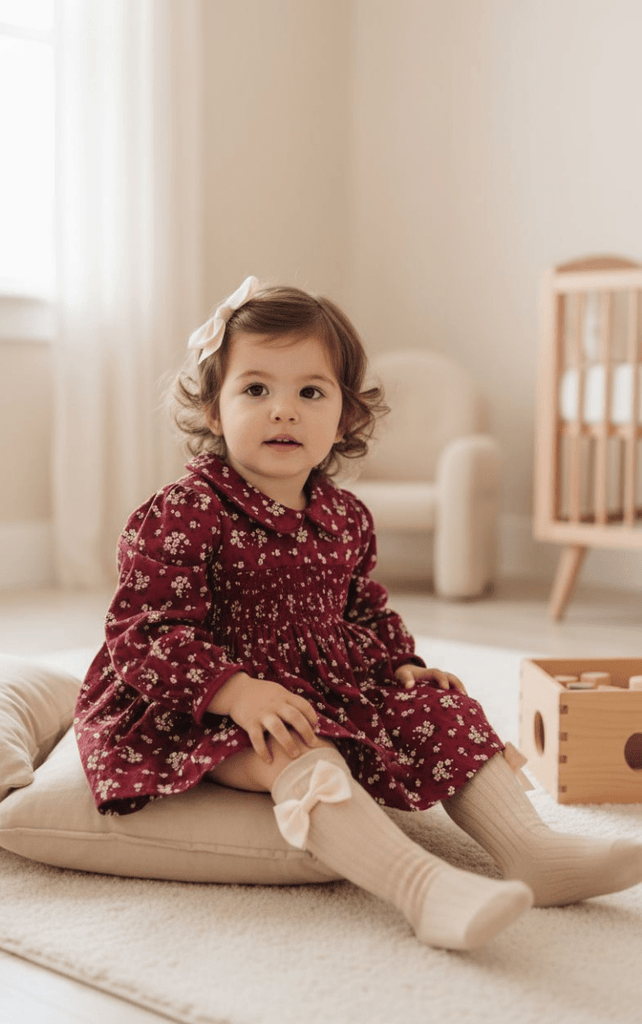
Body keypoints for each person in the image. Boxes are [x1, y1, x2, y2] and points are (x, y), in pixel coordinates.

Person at [75, 276, 642, 951]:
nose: (282, 410)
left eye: (309, 392)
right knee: (293, 748)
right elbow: (144, 630)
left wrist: (401, 665)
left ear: (344, 417)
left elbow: (361, 608)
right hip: (194, 699)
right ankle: (421, 888)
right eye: (255, 389)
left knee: (444, 711)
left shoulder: (343, 515)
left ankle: (532, 852)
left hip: (324, 683)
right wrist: (234, 691)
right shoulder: (184, 510)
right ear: (214, 409)